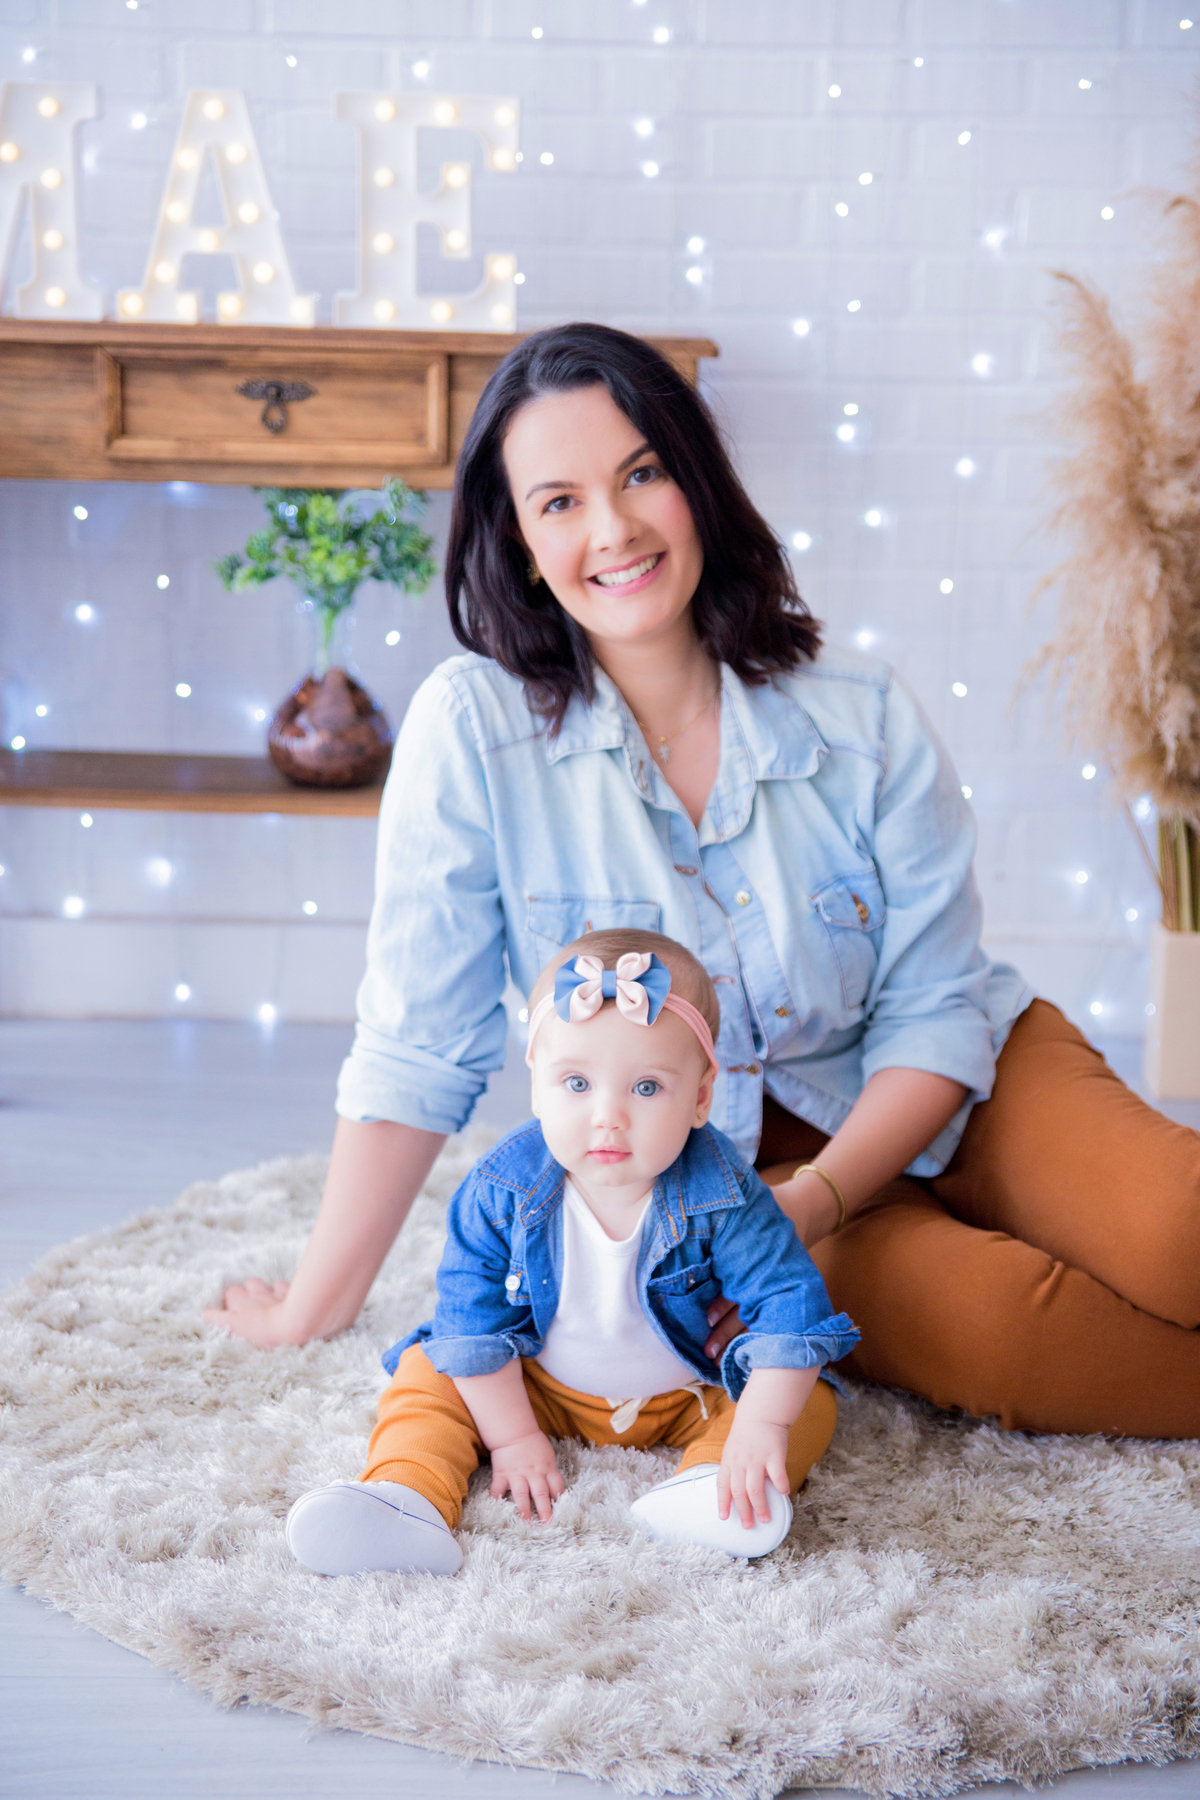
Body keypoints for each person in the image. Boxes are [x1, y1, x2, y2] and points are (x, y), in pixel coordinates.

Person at [206, 321, 1200, 1441]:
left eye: (641, 474)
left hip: (966, 1085)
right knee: (1024, 1335)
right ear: (520, 541)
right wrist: (314, 1305)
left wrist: (826, 1191)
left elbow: (936, 1011)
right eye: (560, 501)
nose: (615, 527)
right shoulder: (472, 734)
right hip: (749, 1188)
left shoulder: (859, 712)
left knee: (1176, 1235)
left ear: (698, 483)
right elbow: (417, 1049)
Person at [285, 931, 858, 1576]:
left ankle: (713, 1487)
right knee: (429, 1369)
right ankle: (404, 1497)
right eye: (577, 1082)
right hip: (535, 1384)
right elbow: (472, 1322)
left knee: (803, 1397)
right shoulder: (502, 1189)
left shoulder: (725, 1191)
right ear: (536, 1086)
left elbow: (791, 1305)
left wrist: (763, 1424)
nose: (607, 1117)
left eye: (645, 1088)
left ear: (700, 1098)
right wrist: (512, 1435)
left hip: (685, 1391)